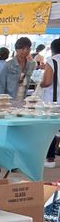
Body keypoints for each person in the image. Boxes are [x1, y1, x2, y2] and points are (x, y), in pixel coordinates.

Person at [38, 38, 60, 167]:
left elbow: (47, 82)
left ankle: (50, 159)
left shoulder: (53, 61)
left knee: (50, 129)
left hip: (53, 101)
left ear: (52, 49)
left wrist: (40, 84)